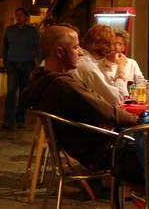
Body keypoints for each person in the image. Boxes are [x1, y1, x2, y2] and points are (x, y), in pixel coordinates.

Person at [21, 25, 142, 182]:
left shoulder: (44, 80)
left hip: (87, 148)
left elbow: (99, 110)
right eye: (76, 47)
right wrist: (142, 121)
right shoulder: (63, 85)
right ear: (59, 52)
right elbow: (109, 111)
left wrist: (101, 121)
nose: (80, 52)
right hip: (100, 152)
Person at [70, 24, 129, 107]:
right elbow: (117, 99)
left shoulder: (88, 61)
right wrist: (121, 68)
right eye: (113, 44)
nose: (114, 47)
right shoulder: (88, 66)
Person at [2, 7, 41, 130]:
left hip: (27, 63)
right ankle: (8, 120)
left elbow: (38, 46)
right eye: (17, 14)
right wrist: (5, 60)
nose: (19, 17)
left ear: (25, 17)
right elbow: (4, 46)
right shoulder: (9, 30)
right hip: (12, 63)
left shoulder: (32, 31)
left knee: (23, 92)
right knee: (11, 91)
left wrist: (38, 61)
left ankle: (20, 120)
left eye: (21, 15)